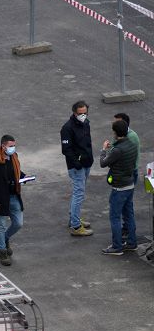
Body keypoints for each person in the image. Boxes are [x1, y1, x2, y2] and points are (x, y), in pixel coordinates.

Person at [99, 119, 139, 256]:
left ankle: (117, 246)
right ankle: (132, 243)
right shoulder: (132, 144)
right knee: (129, 214)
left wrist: (103, 150)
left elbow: (103, 163)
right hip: (130, 184)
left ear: (115, 133)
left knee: (115, 217)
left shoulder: (118, 150)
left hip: (119, 187)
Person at [0, 134, 26, 267]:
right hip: (2, 198)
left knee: (18, 223)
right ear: (3, 146)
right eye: (10, 146)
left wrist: (25, 177)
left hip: (14, 196)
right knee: (0, 226)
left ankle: (5, 238)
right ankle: (2, 251)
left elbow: (17, 172)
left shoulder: (14, 157)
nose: (13, 148)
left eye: (14, 146)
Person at [60, 100, 95, 236]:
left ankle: (73, 218)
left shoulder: (86, 123)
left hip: (86, 163)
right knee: (78, 194)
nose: (83, 115)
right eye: (80, 113)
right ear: (74, 113)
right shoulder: (67, 128)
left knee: (79, 193)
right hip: (77, 167)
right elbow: (66, 150)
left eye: (85, 113)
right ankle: (75, 226)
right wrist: (77, 163)